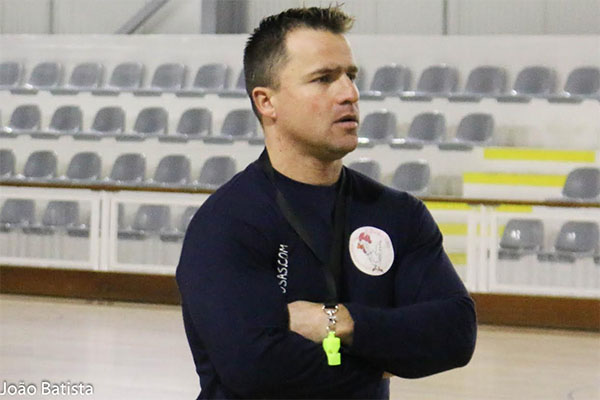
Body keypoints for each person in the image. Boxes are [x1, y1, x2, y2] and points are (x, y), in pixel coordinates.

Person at [176, 6, 477, 399]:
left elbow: (456, 333)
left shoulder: (398, 214)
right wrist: (386, 357)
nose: (349, 93)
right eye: (323, 79)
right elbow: (257, 369)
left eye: (350, 76)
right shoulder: (227, 223)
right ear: (266, 102)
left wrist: (338, 321)